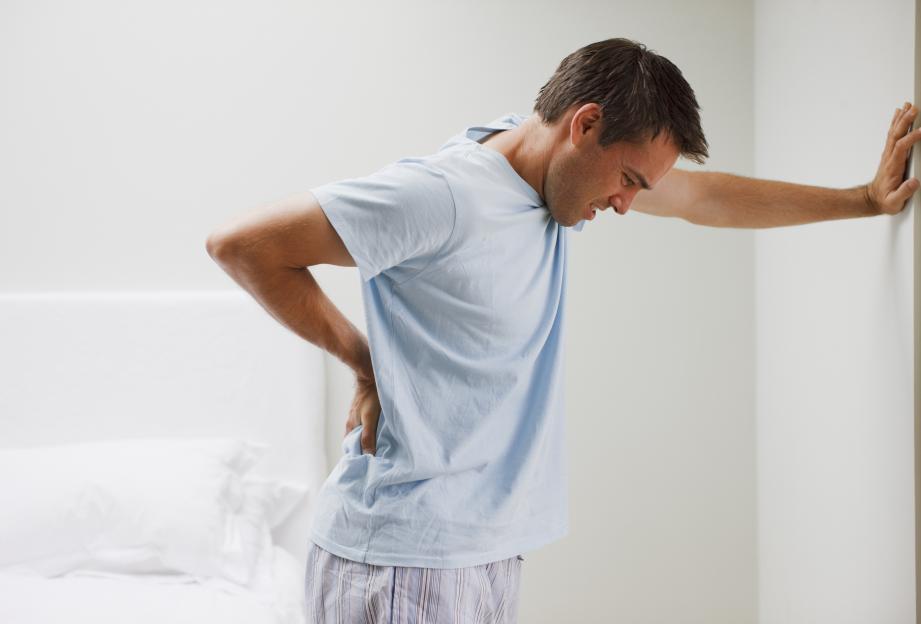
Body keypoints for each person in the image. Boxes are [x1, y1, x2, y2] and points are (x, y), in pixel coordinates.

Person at [206, 37, 919, 624]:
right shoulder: (444, 195)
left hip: (482, 550)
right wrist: (360, 359)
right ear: (583, 125)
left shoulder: (538, 177)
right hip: (403, 560)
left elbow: (706, 197)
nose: (624, 204)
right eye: (630, 181)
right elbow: (243, 244)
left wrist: (863, 199)